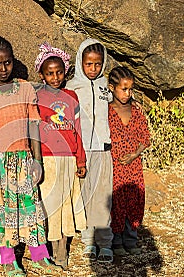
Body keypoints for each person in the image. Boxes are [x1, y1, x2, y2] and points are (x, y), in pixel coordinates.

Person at [0, 36, 58, 277]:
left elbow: (33, 127)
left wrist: (37, 161)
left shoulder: (26, 89)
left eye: (7, 62)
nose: (3, 68)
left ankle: (40, 255)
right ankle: (8, 260)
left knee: (31, 208)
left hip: (23, 160)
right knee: (1, 211)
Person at [34, 42, 87, 269]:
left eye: (59, 72)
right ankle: (48, 250)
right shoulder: (37, 97)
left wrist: (80, 159)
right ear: (42, 75)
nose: (55, 77)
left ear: (65, 72)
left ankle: (61, 253)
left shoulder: (71, 96)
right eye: (50, 73)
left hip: (68, 159)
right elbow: (33, 129)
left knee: (66, 205)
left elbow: (78, 129)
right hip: (48, 158)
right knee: (50, 204)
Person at [66, 38, 114, 263]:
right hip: (82, 149)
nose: (93, 69)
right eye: (89, 64)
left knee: (103, 195)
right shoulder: (71, 87)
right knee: (84, 195)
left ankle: (105, 242)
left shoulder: (107, 86)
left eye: (98, 64)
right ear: (80, 62)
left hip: (103, 148)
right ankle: (88, 241)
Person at [107, 66, 150, 256]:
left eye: (130, 89)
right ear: (111, 87)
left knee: (134, 201)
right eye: (123, 89)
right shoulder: (106, 112)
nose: (127, 93)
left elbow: (145, 139)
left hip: (133, 167)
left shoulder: (136, 111)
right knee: (116, 202)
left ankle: (131, 239)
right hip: (114, 166)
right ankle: (116, 241)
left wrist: (134, 154)